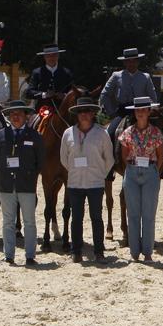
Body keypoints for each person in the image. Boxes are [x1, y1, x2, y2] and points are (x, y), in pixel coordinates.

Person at [59, 97, 114, 263]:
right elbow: (63, 158)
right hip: (75, 183)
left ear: (92, 114)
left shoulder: (102, 133)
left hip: (96, 183)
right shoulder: (68, 133)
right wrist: (75, 171)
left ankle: (98, 251)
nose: (84, 115)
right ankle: (76, 251)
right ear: (76, 115)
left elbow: (109, 159)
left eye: (87, 111)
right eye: (80, 112)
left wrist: (99, 174)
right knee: (76, 218)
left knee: (96, 218)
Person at [0, 100, 45, 266]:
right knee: (8, 222)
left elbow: (40, 161)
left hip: (27, 184)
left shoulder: (34, 136)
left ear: (25, 116)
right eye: (12, 114)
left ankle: (30, 255)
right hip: (6, 185)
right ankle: (9, 255)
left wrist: (29, 174)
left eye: (19, 114)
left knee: (29, 221)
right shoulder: (0, 135)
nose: (15, 117)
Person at [118, 96, 163, 262]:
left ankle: (147, 251)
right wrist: (132, 167)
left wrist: (154, 171)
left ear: (149, 111)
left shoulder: (156, 132)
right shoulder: (127, 132)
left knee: (148, 214)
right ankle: (134, 252)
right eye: (138, 110)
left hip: (150, 172)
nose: (141, 112)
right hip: (131, 172)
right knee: (132, 213)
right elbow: (123, 155)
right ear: (135, 112)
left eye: (144, 110)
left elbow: (161, 155)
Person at [99, 48, 160, 143]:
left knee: (160, 133)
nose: (131, 63)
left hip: (142, 111)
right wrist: (111, 112)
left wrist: (152, 110)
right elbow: (104, 94)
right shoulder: (116, 76)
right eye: (128, 61)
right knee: (110, 133)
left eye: (134, 61)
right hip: (122, 112)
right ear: (124, 62)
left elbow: (153, 97)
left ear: (138, 62)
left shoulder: (145, 77)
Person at [26, 44, 73, 110]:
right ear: (44, 57)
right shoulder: (37, 72)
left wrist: (64, 95)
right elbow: (29, 92)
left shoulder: (66, 72)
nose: (51, 58)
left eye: (54, 55)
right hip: (42, 109)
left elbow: (72, 91)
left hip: (62, 109)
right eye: (48, 56)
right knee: (34, 120)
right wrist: (44, 94)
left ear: (58, 56)